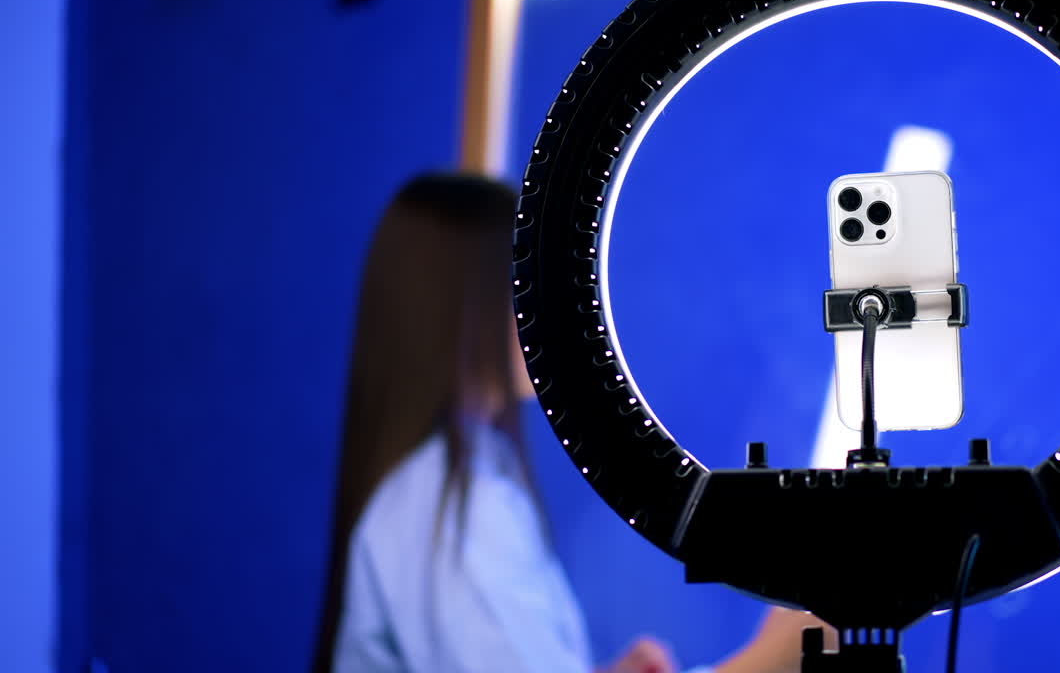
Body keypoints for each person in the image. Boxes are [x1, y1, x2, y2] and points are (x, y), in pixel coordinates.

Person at [312, 173, 828, 673]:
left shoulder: (466, 482)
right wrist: (770, 661)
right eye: (532, 285)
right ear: (465, 307)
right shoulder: (451, 512)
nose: (561, 312)